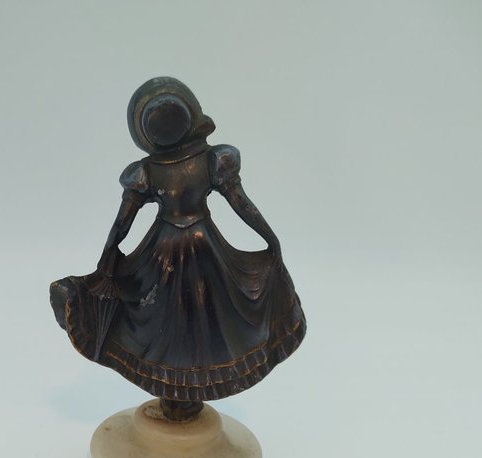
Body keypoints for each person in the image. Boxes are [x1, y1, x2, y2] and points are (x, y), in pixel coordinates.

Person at [50, 77, 306, 407]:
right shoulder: (206, 161)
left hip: (165, 249)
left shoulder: (153, 171)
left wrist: (107, 260)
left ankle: (177, 391)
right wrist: (271, 239)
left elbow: (121, 225)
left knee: (175, 318)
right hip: (202, 247)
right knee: (203, 315)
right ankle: (186, 393)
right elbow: (242, 205)